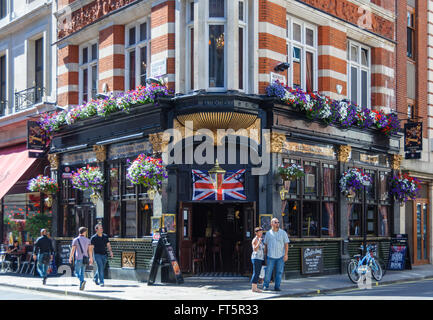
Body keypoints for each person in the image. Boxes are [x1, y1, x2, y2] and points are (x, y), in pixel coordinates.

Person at [263, 218, 290, 292]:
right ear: (271, 224)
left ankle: (277, 287)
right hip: (270, 256)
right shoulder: (268, 233)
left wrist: (286, 255)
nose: (277, 223)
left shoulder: (283, 233)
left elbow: (286, 244)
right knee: (268, 272)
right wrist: (265, 255)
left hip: (280, 256)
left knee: (279, 272)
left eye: (278, 222)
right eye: (275, 222)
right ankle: (265, 285)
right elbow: (265, 245)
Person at [250, 227, 265, 293]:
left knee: (257, 273)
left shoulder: (260, 239)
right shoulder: (255, 240)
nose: (261, 233)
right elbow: (255, 249)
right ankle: (254, 288)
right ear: (256, 233)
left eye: (261, 232)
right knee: (256, 273)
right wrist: (258, 242)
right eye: (260, 232)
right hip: (256, 258)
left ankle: (255, 287)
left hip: (260, 258)